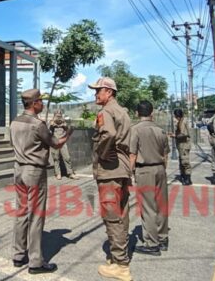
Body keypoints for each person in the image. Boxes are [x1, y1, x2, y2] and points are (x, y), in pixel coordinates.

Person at [9, 88, 72, 274]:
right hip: (34, 172)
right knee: (35, 215)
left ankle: (18, 255)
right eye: (41, 101)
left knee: (21, 212)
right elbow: (56, 143)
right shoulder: (38, 124)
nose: (42, 104)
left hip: (18, 170)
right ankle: (35, 261)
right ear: (35, 103)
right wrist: (68, 134)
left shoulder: (14, 121)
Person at [89, 77, 133, 281]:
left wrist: (104, 155)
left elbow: (108, 135)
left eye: (98, 90)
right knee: (122, 212)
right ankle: (119, 257)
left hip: (110, 169)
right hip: (123, 168)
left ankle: (120, 264)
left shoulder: (106, 111)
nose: (96, 94)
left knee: (111, 214)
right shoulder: (122, 111)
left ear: (108, 91)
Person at [130, 100, 170, 256]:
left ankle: (152, 244)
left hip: (144, 170)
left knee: (148, 208)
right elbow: (165, 154)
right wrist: (162, 169)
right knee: (161, 205)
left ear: (136, 113)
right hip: (160, 168)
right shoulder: (160, 130)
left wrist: (130, 173)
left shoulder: (135, 130)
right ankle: (162, 238)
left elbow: (132, 154)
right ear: (152, 113)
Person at [49, 110, 78, 180]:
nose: (58, 116)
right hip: (55, 141)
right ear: (54, 115)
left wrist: (64, 125)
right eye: (57, 114)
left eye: (60, 114)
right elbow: (49, 131)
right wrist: (52, 125)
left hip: (63, 142)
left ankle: (70, 173)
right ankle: (58, 174)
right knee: (56, 158)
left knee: (67, 157)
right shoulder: (51, 121)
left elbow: (68, 130)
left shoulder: (64, 121)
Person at [171, 109, 192, 185]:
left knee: (185, 161)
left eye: (175, 116)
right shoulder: (180, 121)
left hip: (184, 144)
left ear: (178, 116)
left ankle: (188, 178)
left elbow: (184, 134)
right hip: (181, 145)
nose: (175, 118)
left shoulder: (183, 121)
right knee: (181, 161)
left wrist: (175, 136)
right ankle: (183, 176)